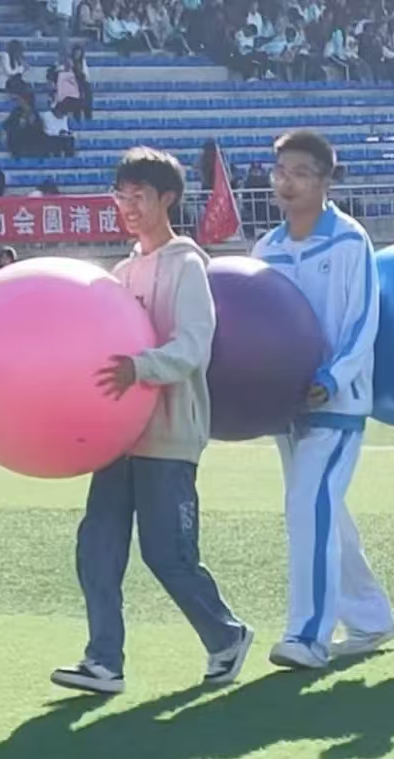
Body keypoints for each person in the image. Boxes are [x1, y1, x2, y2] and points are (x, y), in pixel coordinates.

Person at [51, 146, 253, 695]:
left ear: (168, 198)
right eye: (121, 196)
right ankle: (103, 661)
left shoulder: (187, 266)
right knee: (97, 548)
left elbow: (192, 347)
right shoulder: (120, 272)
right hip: (118, 436)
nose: (129, 207)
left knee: (168, 554)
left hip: (169, 434)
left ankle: (226, 635)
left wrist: (139, 368)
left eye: (139, 196)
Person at [251, 130, 394, 669]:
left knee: (307, 506)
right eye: (281, 172)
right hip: (284, 407)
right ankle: (371, 617)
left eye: (300, 173)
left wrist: (333, 378)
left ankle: (308, 635)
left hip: (336, 403)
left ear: (325, 181)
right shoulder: (265, 250)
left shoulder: (349, 241)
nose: (287, 183)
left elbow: (363, 320)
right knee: (321, 508)